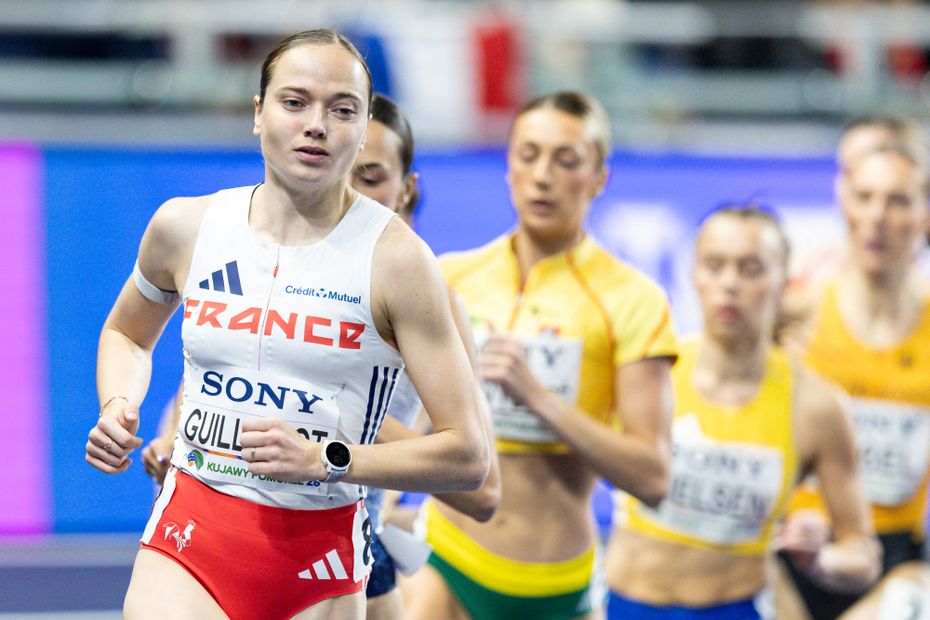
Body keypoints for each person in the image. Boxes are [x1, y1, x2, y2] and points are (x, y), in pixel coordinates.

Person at [85, 29, 489, 620]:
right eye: (295, 102)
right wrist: (118, 403)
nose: (317, 125)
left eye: (342, 109)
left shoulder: (398, 261)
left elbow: (468, 455)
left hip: (319, 560)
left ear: (362, 125)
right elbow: (126, 333)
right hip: (189, 535)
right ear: (259, 113)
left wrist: (330, 458)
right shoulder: (186, 227)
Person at [403, 90, 678, 620]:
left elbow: (653, 478)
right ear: (508, 167)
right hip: (448, 562)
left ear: (600, 178)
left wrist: (538, 397)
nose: (543, 175)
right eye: (528, 155)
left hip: (557, 587)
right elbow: (398, 412)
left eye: (566, 160)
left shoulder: (632, 300)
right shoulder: (450, 277)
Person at [605, 204, 880, 619]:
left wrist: (820, 559)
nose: (729, 284)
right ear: (693, 274)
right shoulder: (649, 371)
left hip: (737, 608)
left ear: (783, 281)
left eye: (751, 269)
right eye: (714, 266)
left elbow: (862, 553)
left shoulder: (816, 408)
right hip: (628, 604)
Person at [779, 137, 930, 619]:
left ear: (925, 215)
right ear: (843, 202)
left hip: (894, 560)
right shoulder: (795, 315)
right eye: (864, 198)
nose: (877, 217)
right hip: (794, 547)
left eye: (898, 200)